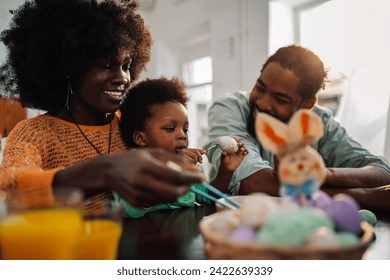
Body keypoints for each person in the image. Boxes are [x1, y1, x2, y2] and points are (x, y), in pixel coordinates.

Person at [0, 0, 205, 212]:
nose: (123, 78)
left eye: (126, 66)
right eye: (106, 65)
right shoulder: (34, 133)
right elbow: (11, 189)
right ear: (71, 68)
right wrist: (104, 171)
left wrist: (174, 163)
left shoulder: (131, 123)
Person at [205, 44, 390, 211]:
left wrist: (322, 174)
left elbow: (382, 172)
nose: (262, 103)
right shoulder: (229, 108)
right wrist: (364, 196)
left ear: (307, 104)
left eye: (280, 99)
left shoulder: (319, 121)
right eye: (260, 88)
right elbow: (255, 184)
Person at [118, 76, 248, 217]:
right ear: (141, 138)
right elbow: (131, 208)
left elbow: (209, 197)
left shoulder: (190, 169)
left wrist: (226, 171)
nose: (182, 135)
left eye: (185, 129)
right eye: (170, 128)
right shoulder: (131, 169)